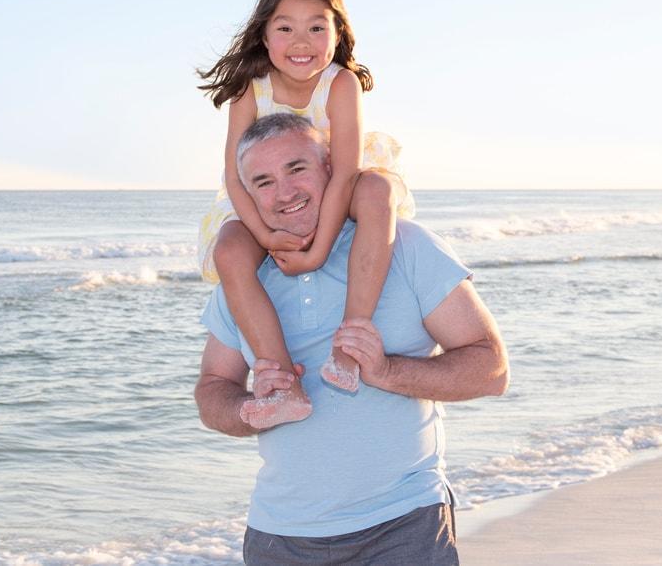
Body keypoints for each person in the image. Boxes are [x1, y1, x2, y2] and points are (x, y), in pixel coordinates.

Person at [194, 113, 509, 565]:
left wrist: (387, 371)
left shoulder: (406, 246)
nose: (284, 193)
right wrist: (250, 409)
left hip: (403, 527)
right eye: (263, 182)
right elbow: (212, 389)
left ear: (331, 168)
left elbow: (492, 369)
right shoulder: (243, 279)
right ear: (247, 199)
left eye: (296, 169)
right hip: (279, 539)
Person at [196, 0, 415, 427]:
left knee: (378, 191)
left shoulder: (340, 83)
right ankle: (281, 384)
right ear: (265, 35)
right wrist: (269, 236)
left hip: (334, 180)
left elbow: (347, 172)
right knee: (231, 249)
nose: (302, 41)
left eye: (317, 27)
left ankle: (349, 347)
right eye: (285, 27)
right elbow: (236, 179)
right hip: (268, 200)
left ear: (338, 33)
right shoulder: (249, 90)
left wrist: (317, 251)